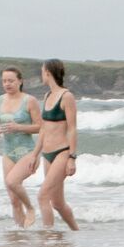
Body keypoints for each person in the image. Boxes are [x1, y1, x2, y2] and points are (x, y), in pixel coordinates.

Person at [0, 65, 40, 226]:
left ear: (20, 81)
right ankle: (21, 236)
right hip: (8, 152)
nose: (7, 84)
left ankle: (31, 208)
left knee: (12, 182)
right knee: (13, 200)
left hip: (27, 152)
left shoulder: (29, 100)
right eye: (4, 81)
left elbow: (40, 126)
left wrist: (19, 127)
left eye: (11, 80)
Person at [34, 58, 79, 230]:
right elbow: (44, 129)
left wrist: (72, 158)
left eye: (42, 71)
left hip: (62, 152)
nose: (41, 74)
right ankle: (76, 231)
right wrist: (34, 154)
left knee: (42, 196)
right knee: (57, 203)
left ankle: (49, 238)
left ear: (48, 72)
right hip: (47, 154)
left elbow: (72, 129)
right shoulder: (47, 96)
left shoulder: (66, 96)